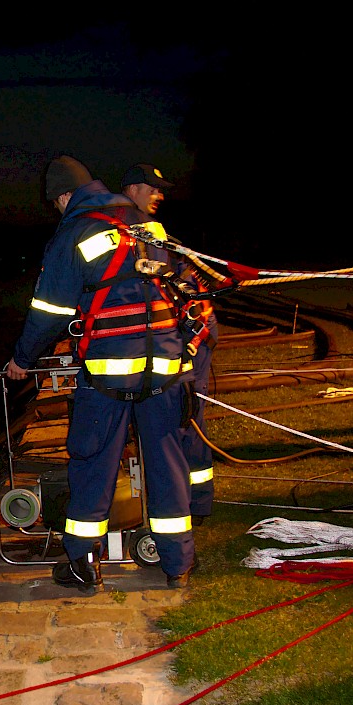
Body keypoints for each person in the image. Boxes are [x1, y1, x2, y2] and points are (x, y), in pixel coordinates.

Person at [5, 154, 198, 592]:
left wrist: (22, 360)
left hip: (110, 372)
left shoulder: (73, 233)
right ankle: (178, 564)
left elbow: (47, 314)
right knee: (167, 463)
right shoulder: (145, 225)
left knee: (93, 461)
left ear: (65, 196)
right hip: (165, 367)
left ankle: (82, 565)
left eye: (56, 202)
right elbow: (182, 282)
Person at [121, 163, 218, 527]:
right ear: (133, 188)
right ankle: (184, 500)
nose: (160, 195)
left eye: (162, 190)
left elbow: (189, 297)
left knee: (187, 418)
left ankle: (195, 503)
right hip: (172, 336)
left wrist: (188, 345)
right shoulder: (134, 232)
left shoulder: (157, 239)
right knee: (174, 419)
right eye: (154, 188)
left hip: (189, 336)